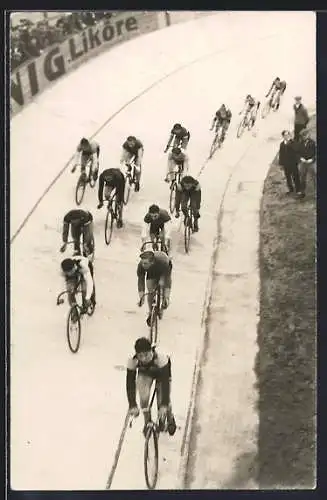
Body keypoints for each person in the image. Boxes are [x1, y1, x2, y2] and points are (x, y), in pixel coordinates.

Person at [126, 337, 177, 436]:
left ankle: (170, 417)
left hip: (162, 374)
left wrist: (164, 404)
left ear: (151, 351)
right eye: (140, 356)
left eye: (146, 355)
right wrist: (132, 404)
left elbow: (166, 383)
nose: (143, 359)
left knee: (162, 401)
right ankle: (147, 422)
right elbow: (130, 383)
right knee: (143, 397)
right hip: (146, 374)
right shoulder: (132, 360)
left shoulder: (161, 358)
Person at [137, 249, 172, 327]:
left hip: (164, 268)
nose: (143, 265)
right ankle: (151, 313)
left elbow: (167, 280)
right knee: (150, 291)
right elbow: (140, 281)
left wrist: (166, 296)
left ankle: (164, 301)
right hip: (152, 272)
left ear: (152, 262)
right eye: (142, 263)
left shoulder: (162, 263)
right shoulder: (141, 266)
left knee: (163, 283)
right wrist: (141, 297)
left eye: (145, 263)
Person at [278, 130, 301, 195]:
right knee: (288, 177)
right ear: (283, 136)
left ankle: (298, 190)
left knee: (295, 176)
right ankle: (291, 189)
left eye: (288, 135)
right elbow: (281, 154)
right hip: (286, 164)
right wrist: (281, 164)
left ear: (289, 135)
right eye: (285, 135)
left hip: (293, 163)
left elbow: (296, 149)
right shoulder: (282, 144)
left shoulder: (293, 142)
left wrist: (289, 143)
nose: (287, 136)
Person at [297, 128, 316, 198]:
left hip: (311, 163)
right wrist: (301, 158)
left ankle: (316, 192)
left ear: (308, 135)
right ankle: (302, 192)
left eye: (305, 135)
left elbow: (315, 153)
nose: (303, 137)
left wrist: (311, 159)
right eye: (302, 136)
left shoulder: (313, 143)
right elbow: (298, 153)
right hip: (303, 163)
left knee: (314, 177)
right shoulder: (300, 143)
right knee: (302, 178)